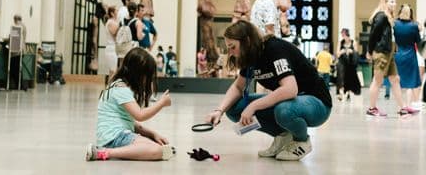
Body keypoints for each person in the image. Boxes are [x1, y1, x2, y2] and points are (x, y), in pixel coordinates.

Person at [204, 20, 332, 161]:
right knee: (235, 108)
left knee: (284, 110)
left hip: (317, 103)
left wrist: (253, 106)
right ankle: (283, 136)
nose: (231, 53)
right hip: (292, 102)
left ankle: (301, 141)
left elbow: (290, 89)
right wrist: (219, 110)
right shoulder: (251, 56)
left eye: (232, 47)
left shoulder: (274, 49)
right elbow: (237, 87)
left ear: (246, 41)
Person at [85, 47, 174, 161]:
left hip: (112, 137)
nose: (147, 81)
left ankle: (105, 151)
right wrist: (162, 103)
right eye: (146, 76)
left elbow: (130, 122)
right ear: (138, 74)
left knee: (157, 147)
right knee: (157, 151)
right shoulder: (121, 89)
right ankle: (106, 153)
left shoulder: (117, 85)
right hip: (115, 138)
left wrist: (152, 134)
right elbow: (140, 115)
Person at [366, 0, 416, 117]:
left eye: (395, 2)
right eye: (391, 2)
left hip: (389, 52)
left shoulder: (388, 18)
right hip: (381, 52)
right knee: (377, 80)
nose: (394, 4)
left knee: (395, 79)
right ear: (385, 2)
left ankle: (403, 107)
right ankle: (371, 108)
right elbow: (373, 34)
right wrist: (369, 50)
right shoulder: (381, 16)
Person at [393, 4, 422, 107]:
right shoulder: (414, 26)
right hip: (410, 56)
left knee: (398, 82)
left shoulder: (395, 24)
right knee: (410, 83)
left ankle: (401, 105)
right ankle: (409, 105)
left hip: (398, 54)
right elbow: (418, 42)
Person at [336, 30, 361, 101]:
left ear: (347, 35)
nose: (343, 37)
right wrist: (341, 52)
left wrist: (351, 51)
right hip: (342, 62)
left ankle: (348, 94)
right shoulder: (340, 42)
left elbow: (356, 53)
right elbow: (337, 54)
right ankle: (340, 94)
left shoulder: (353, 42)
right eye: (342, 35)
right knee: (340, 77)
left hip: (350, 63)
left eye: (344, 35)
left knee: (349, 78)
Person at [7, 14, 28, 91]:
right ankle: (19, 85)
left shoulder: (18, 26)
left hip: (16, 50)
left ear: (15, 19)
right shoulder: (24, 26)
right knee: (17, 67)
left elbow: (14, 37)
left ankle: (20, 85)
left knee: (15, 68)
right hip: (21, 49)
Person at [101, 6, 118, 84]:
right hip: (111, 49)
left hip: (113, 48)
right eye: (116, 11)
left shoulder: (112, 22)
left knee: (112, 71)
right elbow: (115, 35)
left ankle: (109, 89)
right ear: (112, 13)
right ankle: (109, 89)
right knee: (114, 71)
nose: (117, 12)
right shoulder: (111, 22)